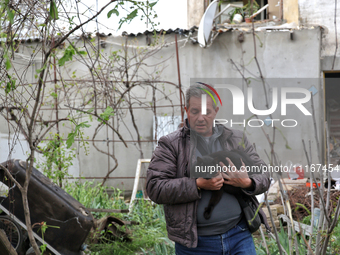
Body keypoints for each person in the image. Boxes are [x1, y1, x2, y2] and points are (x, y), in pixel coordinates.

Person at [146, 84, 271, 254]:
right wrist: (196, 184)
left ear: (216, 111)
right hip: (196, 244)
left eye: (207, 112)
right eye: (195, 111)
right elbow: (155, 188)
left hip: (239, 236)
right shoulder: (171, 145)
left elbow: (264, 174)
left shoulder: (235, 138)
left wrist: (247, 182)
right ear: (186, 110)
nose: (200, 118)